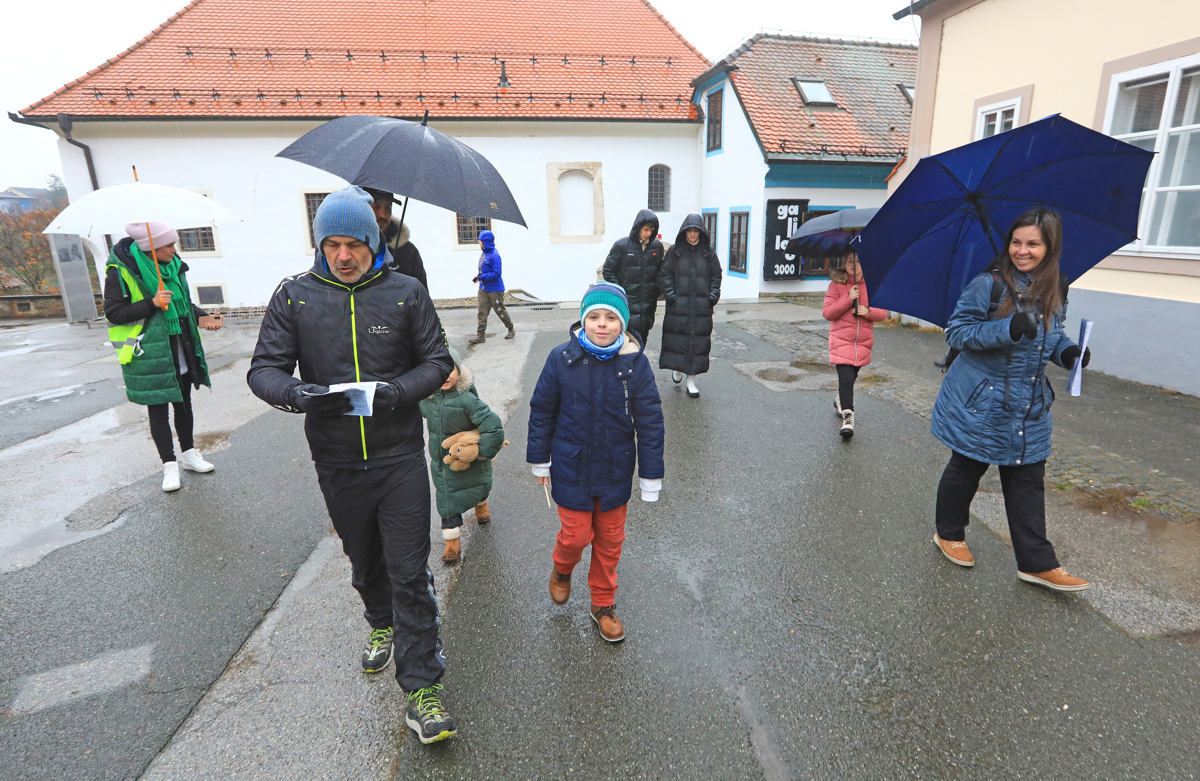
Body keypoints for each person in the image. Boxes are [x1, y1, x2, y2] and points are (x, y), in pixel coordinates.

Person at [246, 186, 459, 744]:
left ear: (374, 241)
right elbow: (263, 369)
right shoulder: (294, 296)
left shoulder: (405, 292)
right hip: (337, 459)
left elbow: (438, 361)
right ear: (320, 245)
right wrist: (300, 394)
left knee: (410, 571)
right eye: (333, 244)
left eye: (354, 244)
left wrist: (396, 391)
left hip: (398, 457)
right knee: (366, 563)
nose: (344, 256)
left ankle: (422, 688)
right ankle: (379, 623)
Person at [930, 208, 1091, 593]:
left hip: (1029, 401)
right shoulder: (989, 284)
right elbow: (959, 333)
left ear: (1049, 246)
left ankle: (1036, 563)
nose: (1022, 250)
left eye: (1032, 243)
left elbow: (1054, 332)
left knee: (1027, 478)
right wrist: (1008, 328)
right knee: (967, 467)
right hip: (982, 399)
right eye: (1016, 242)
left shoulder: (1056, 286)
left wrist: (1068, 353)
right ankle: (948, 533)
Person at [527, 283, 665, 643]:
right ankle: (562, 568)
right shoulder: (561, 359)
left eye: (610, 318)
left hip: (616, 468)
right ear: (583, 320)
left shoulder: (635, 364)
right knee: (576, 535)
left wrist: (651, 476)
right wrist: (540, 460)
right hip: (571, 466)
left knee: (610, 540)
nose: (602, 325)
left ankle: (602, 604)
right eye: (594, 317)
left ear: (622, 323)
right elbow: (542, 411)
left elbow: (650, 422)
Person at [103, 221, 222, 492]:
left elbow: (183, 304)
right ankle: (169, 465)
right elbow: (114, 312)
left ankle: (189, 454)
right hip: (149, 351)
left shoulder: (174, 267)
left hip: (180, 345)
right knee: (158, 410)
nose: (174, 248)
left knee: (184, 403)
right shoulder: (120, 271)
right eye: (168, 245)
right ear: (151, 248)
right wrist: (152, 303)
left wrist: (204, 318)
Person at [419, 346, 505, 564]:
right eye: (437, 371)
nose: (445, 376)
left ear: (458, 370)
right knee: (447, 499)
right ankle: (451, 543)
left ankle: (481, 505)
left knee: (476, 486)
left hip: (469, 460)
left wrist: (482, 453)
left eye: (450, 369)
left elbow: (493, 426)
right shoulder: (426, 400)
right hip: (442, 463)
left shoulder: (466, 399)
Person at [822, 249, 887, 439]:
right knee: (846, 377)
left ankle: (840, 400)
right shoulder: (836, 286)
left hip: (863, 344)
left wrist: (868, 311)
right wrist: (848, 298)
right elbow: (828, 313)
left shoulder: (873, 286)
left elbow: (883, 313)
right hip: (841, 342)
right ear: (844, 263)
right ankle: (848, 419)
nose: (854, 264)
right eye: (850, 261)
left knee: (851, 377)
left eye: (858, 261)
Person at [658, 214, 722, 398]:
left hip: (701, 307)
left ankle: (691, 381)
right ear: (684, 231)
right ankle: (678, 369)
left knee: (697, 343)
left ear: (701, 233)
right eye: (690, 231)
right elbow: (665, 275)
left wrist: (712, 297)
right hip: (679, 306)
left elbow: (716, 276)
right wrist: (672, 297)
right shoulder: (675, 252)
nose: (693, 234)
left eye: (696, 231)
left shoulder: (708, 254)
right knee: (678, 340)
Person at [602, 209, 665, 346]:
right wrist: (621, 290)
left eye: (652, 230)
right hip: (626, 305)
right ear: (638, 228)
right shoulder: (621, 246)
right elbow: (607, 271)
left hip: (647, 308)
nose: (648, 233)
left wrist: (658, 290)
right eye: (646, 229)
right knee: (625, 347)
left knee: (641, 345)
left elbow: (661, 272)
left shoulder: (657, 247)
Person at [364, 187, 429, 291]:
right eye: (376, 207)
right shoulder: (345, 249)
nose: (383, 215)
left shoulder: (408, 251)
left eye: (388, 208)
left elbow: (421, 299)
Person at [468, 230, 515, 344]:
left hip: (495, 290)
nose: (479, 242)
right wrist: (479, 277)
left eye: (481, 240)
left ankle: (510, 329)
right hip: (483, 289)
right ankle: (480, 335)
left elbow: (496, 273)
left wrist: (482, 277)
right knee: (482, 312)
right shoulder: (484, 253)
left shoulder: (495, 256)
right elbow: (484, 270)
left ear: (486, 242)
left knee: (500, 310)